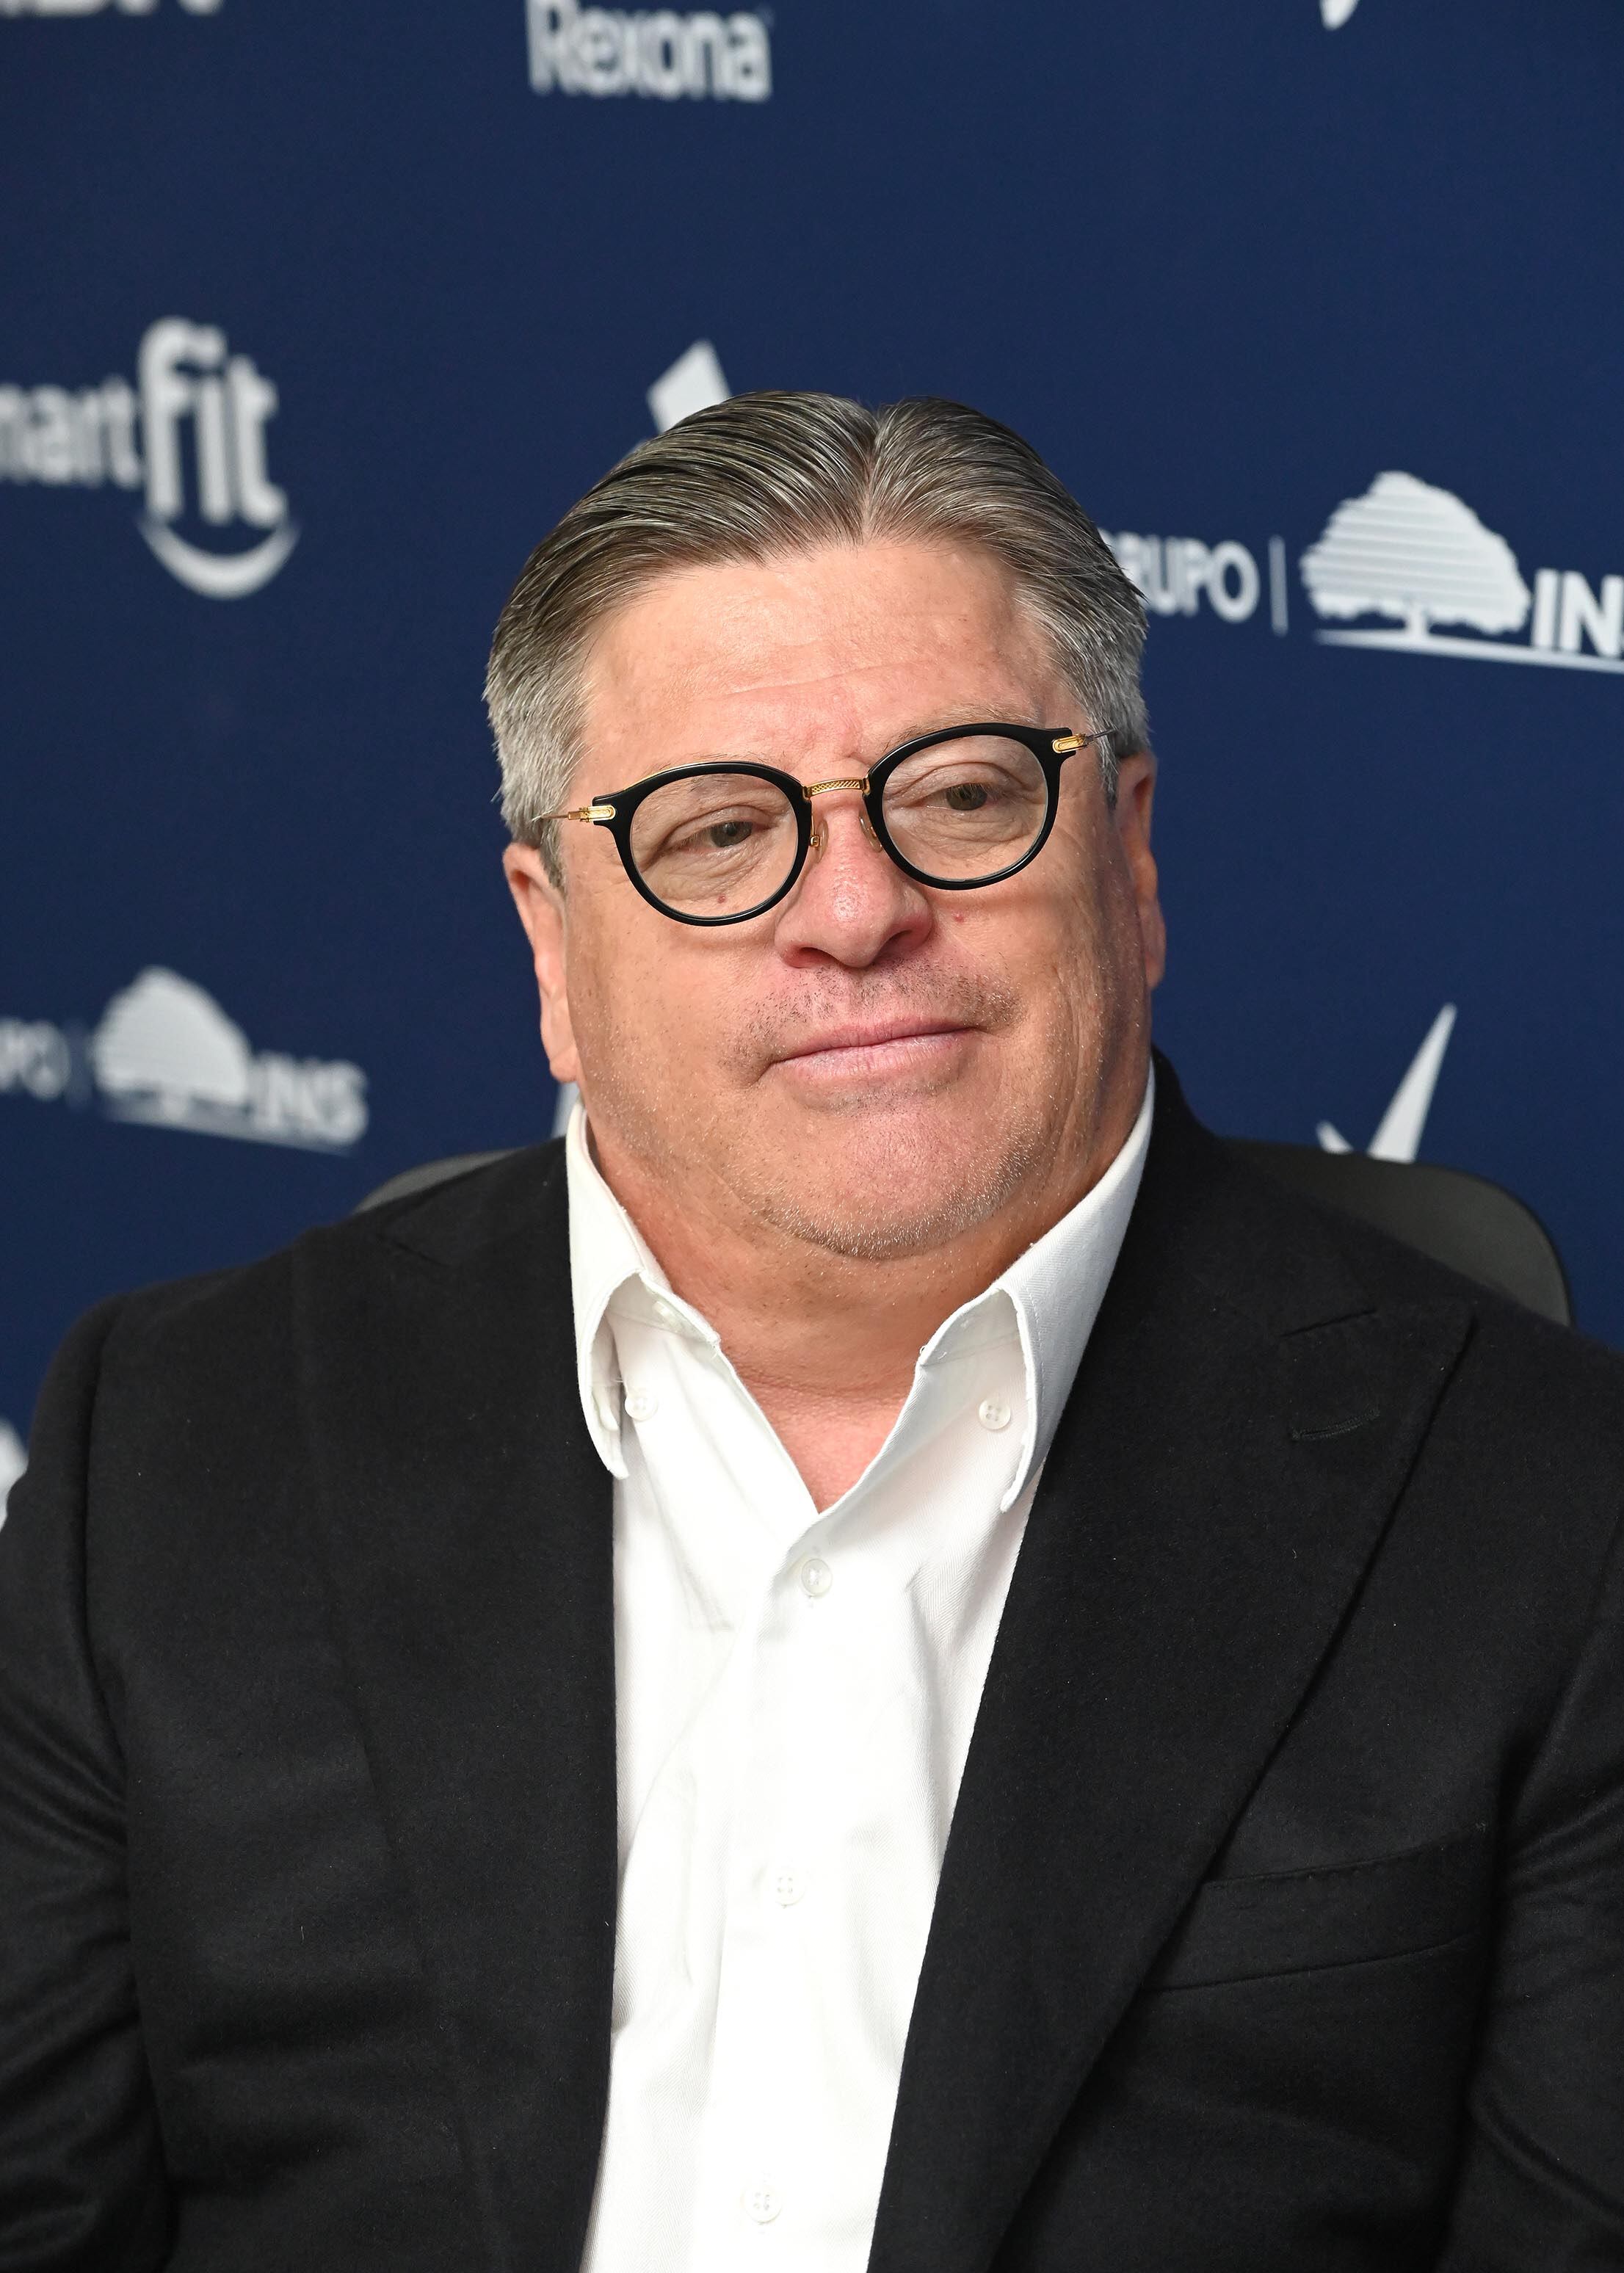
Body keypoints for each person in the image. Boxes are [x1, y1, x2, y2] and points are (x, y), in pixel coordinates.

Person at [0, 393, 1620, 2273]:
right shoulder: (166, 1450)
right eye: (712, 833)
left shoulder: (1553, 1521)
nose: (853, 913)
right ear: (552, 946)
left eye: (961, 796)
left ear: (1129, 858)